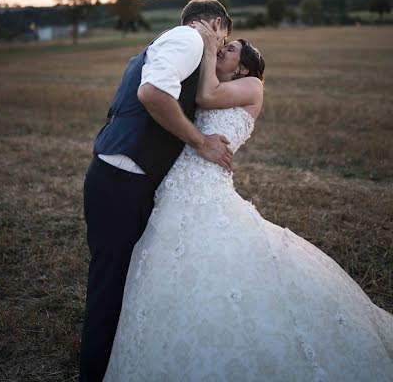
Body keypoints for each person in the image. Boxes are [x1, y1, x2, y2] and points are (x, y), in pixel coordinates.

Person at [103, 21, 393, 382]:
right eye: (222, 47)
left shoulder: (252, 85)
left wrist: (207, 48)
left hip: (205, 185)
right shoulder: (221, 82)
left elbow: (204, 99)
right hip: (178, 183)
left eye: (230, 49)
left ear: (243, 66)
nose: (222, 49)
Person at [79, 0, 233, 382]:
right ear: (215, 25)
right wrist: (200, 141)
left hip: (124, 175)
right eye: (224, 39)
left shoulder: (177, 41)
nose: (221, 46)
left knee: (121, 282)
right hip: (121, 178)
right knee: (110, 288)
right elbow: (152, 94)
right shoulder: (189, 40)